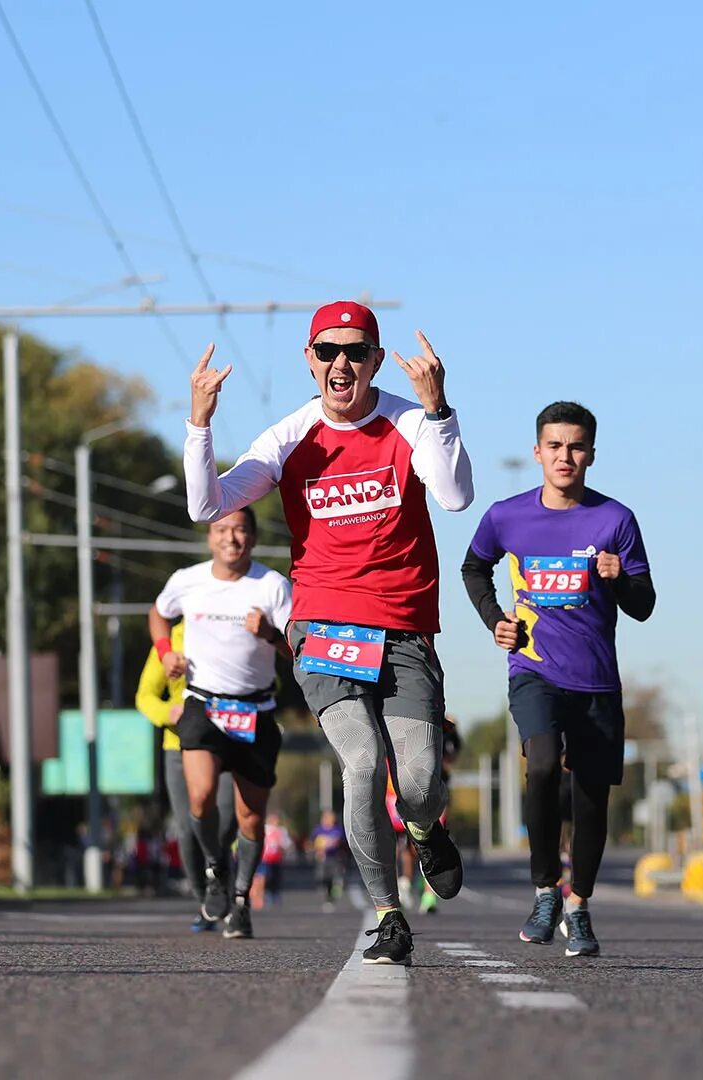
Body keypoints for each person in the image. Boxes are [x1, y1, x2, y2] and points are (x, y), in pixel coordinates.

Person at [184, 300, 474, 965]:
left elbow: (456, 496)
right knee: (364, 763)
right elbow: (208, 504)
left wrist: (440, 410)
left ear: (375, 360)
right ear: (309, 361)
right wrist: (199, 421)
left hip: (402, 627)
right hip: (324, 628)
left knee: (422, 778)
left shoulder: (407, 419)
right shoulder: (290, 436)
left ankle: (427, 829)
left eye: (355, 351)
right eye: (327, 351)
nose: (341, 363)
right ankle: (389, 913)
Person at [462, 401, 656, 957]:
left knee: (592, 798)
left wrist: (620, 580)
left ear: (591, 453)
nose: (564, 456)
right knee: (542, 764)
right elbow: (474, 567)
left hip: (596, 680)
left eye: (575, 447)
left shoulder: (615, 520)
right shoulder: (507, 516)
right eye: (554, 446)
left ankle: (579, 906)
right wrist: (495, 619)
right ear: (537, 452)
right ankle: (546, 889)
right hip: (535, 670)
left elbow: (644, 606)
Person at [148, 506, 293, 941]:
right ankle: (215, 869)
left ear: (252, 537)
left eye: (241, 531)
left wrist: (270, 634)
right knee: (200, 796)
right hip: (203, 705)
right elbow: (158, 613)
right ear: (210, 537)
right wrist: (164, 651)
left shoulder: (272, 586)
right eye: (222, 530)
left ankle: (243, 900)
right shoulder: (186, 580)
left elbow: (300, 647)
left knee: (251, 819)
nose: (232, 538)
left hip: (256, 710)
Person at [135, 621, 238, 931]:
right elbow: (145, 696)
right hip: (178, 745)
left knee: (225, 824)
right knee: (188, 829)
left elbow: (267, 679)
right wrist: (169, 712)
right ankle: (206, 901)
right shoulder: (171, 642)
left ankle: (224, 889)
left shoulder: (234, 630)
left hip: (228, 741)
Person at [252, 812, 293, 909]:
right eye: (273, 820)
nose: (275, 822)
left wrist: (282, 847)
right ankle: (258, 897)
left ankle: (274, 895)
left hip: (276, 859)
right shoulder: (265, 829)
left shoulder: (282, 831)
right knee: (261, 878)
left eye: (277, 820)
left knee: (275, 878)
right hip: (264, 859)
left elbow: (287, 844)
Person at [310, 809, 348, 909]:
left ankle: (334, 894)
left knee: (335, 876)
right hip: (323, 858)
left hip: (335, 857)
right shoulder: (318, 830)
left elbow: (342, 841)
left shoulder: (337, 829)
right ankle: (328, 892)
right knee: (323, 877)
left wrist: (337, 843)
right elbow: (312, 843)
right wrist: (317, 850)